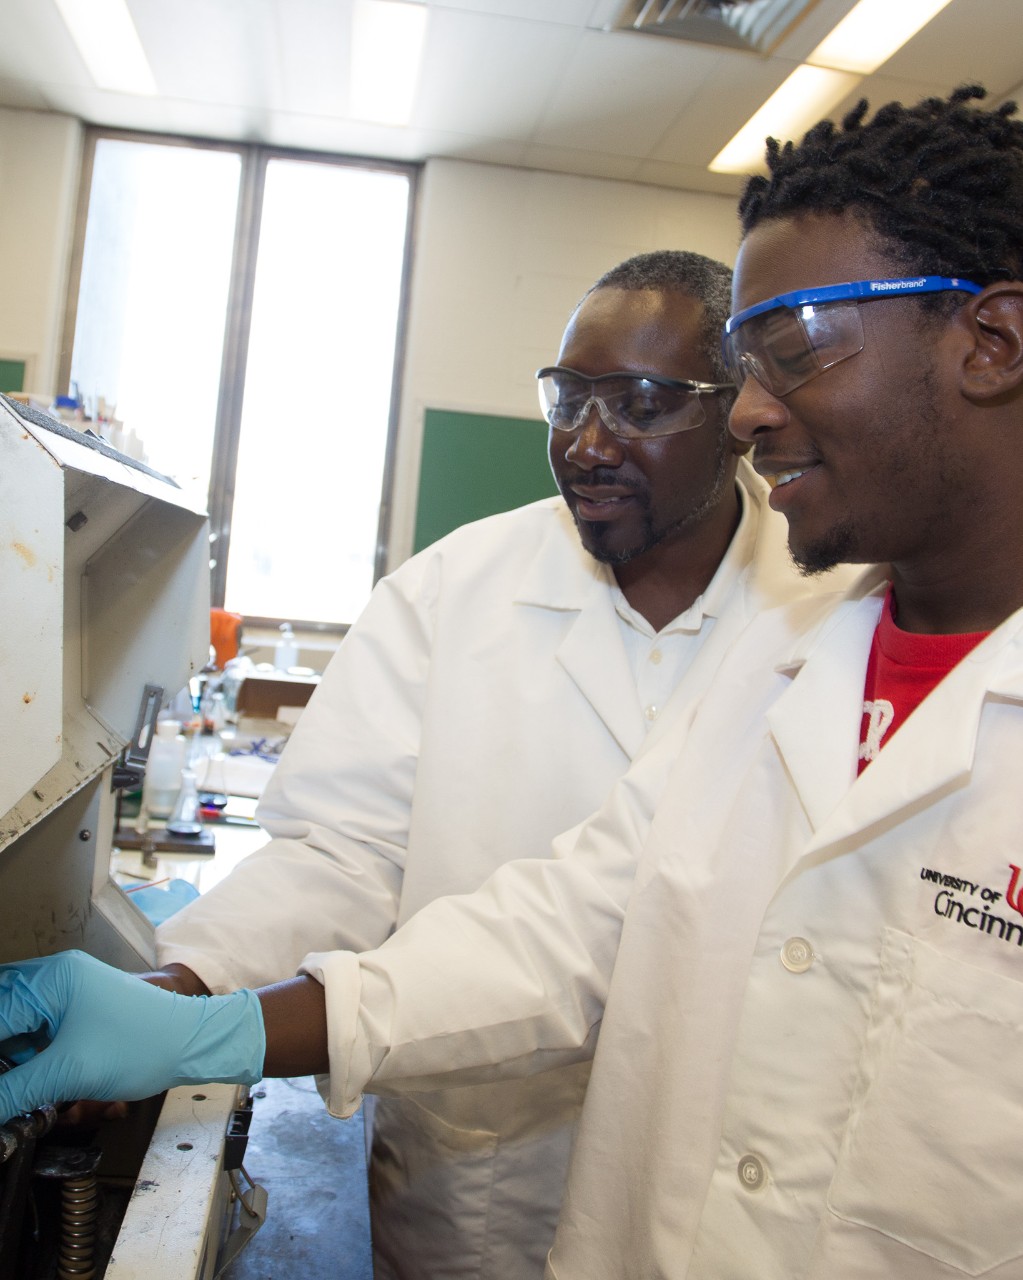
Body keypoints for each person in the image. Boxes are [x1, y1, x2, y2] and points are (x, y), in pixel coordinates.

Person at [8, 81, 1018, 1277]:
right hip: (506, 1200)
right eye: (572, 398)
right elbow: (559, 931)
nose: (753, 412)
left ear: (992, 343)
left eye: (789, 353)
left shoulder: (786, 619)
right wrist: (201, 1014)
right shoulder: (782, 667)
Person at [97, 250, 836, 1280]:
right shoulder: (451, 591)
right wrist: (183, 983)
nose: (586, 440)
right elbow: (339, 854)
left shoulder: (827, 612)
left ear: (740, 407)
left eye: (642, 402)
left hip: (714, 1188)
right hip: (472, 1184)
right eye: (567, 396)